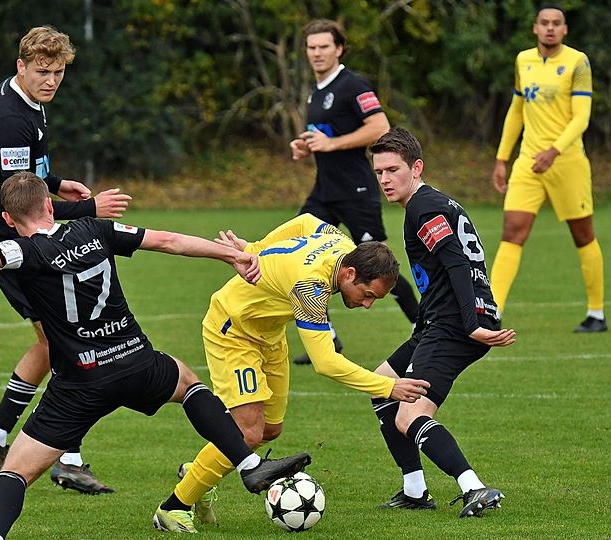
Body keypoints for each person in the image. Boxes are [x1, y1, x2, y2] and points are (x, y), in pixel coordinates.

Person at [0, 172, 312, 540]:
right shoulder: (96, 230)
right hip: (134, 361)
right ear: (50, 208)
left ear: (10, 220)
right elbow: (168, 241)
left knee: (14, 473)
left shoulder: (24, 252)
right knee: (188, 383)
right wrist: (231, 254)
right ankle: (250, 464)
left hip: (79, 385)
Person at [153, 212, 431, 531]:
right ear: (350, 273)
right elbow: (326, 362)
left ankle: (198, 474)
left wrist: (258, 247)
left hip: (269, 334)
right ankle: (173, 508)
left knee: (270, 429)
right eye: (368, 295)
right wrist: (386, 387)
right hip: (232, 331)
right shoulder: (310, 288)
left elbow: (308, 221)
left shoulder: (343, 245)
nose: (367, 305)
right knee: (249, 431)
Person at [0, 25, 133, 494]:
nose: (52, 80)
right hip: (13, 243)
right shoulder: (9, 117)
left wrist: (56, 182)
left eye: (59, 72)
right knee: (66, 340)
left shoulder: (27, 103)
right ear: (20, 66)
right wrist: (88, 209)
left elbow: (29, 175)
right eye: (43, 71)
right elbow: (19, 202)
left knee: (51, 342)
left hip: (24, 233)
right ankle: (68, 458)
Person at [369, 127, 515, 517]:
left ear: (416, 168)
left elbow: (454, 262)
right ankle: (414, 490)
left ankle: (474, 488)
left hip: (455, 325)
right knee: (383, 385)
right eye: (378, 171)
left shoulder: (423, 207)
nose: (384, 179)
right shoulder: (431, 203)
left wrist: (470, 323)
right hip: (442, 322)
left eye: (392, 169)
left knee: (410, 414)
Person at [287, 18, 420, 364]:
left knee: (378, 265)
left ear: (339, 49)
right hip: (324, 191)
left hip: (356, 190)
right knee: (300, 256)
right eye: (311, 47)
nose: (316, 53)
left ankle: (425, 326)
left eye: (324, 47)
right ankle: (326, 337)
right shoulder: (315, 92)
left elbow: (380, 127)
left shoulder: (352, 85)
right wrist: (307, 147)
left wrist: (331, 144)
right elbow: (325, 136)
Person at [490, 4, 606, 333]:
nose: (550, 28)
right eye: (545, 23)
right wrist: (502, 157)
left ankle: (596, 313)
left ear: (565, 30)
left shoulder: (577, 62)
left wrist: (554, 151)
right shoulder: (523, 60)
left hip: (567, 162)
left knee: (583, 235)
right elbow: (516, 110)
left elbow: (581, 118)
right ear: (535, 28)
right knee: (512, 230)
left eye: (557, 23)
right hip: (528, 161)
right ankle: (494, 309)